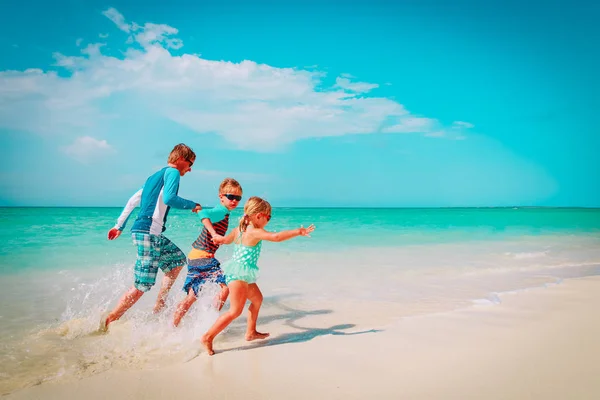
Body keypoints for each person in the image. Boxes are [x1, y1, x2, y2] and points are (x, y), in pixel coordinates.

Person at [101, 143, 202, 332]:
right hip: (148, 232)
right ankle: (111, 319)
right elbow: (170, 199)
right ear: (180, 159)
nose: (190, 169)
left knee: (176, 261)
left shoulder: (152, 177)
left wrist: (118, 226)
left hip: (149, 232)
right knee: (142, 284)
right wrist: (192, 205)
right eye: (190, 164)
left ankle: (160, 305)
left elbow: (132, 201)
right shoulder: (172, 173)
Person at [200, 196, 315, 355]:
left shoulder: (239, 229)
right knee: (235, 311)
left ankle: (251, 332)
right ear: (259, 215)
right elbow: (276, 237)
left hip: (241, 273)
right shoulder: (254, 231)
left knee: (257, 299)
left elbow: (226, 240)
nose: (268, 220)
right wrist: (298, 231)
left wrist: (218, 238)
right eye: (268, 217)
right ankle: (208, 336)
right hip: (239, 275)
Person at [172, 178, 243, 327]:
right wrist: (213, 233)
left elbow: (202, 211)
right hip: (203, 257)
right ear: (221, 196)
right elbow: (203, 213)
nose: (234, 201)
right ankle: (210, 320)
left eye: (238, 198)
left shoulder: (222, 211)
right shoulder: (221, 211)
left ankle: (172, 326)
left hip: (194, 257)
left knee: (192, 296)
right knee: (226, 286)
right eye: (230, 196)